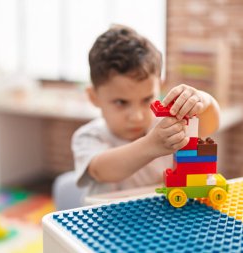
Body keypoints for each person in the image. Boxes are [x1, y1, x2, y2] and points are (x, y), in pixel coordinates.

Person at [59, 25, 220, 204]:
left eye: (146, 99)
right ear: (94, 97)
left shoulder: (166, 125)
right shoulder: (89, 136)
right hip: (108, 226)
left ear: (160, 86)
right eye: (121, 102)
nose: (137, 116)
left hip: (159, 222)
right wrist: (151, 144)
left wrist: (203, 100)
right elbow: (101, 170)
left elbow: (210, 125)